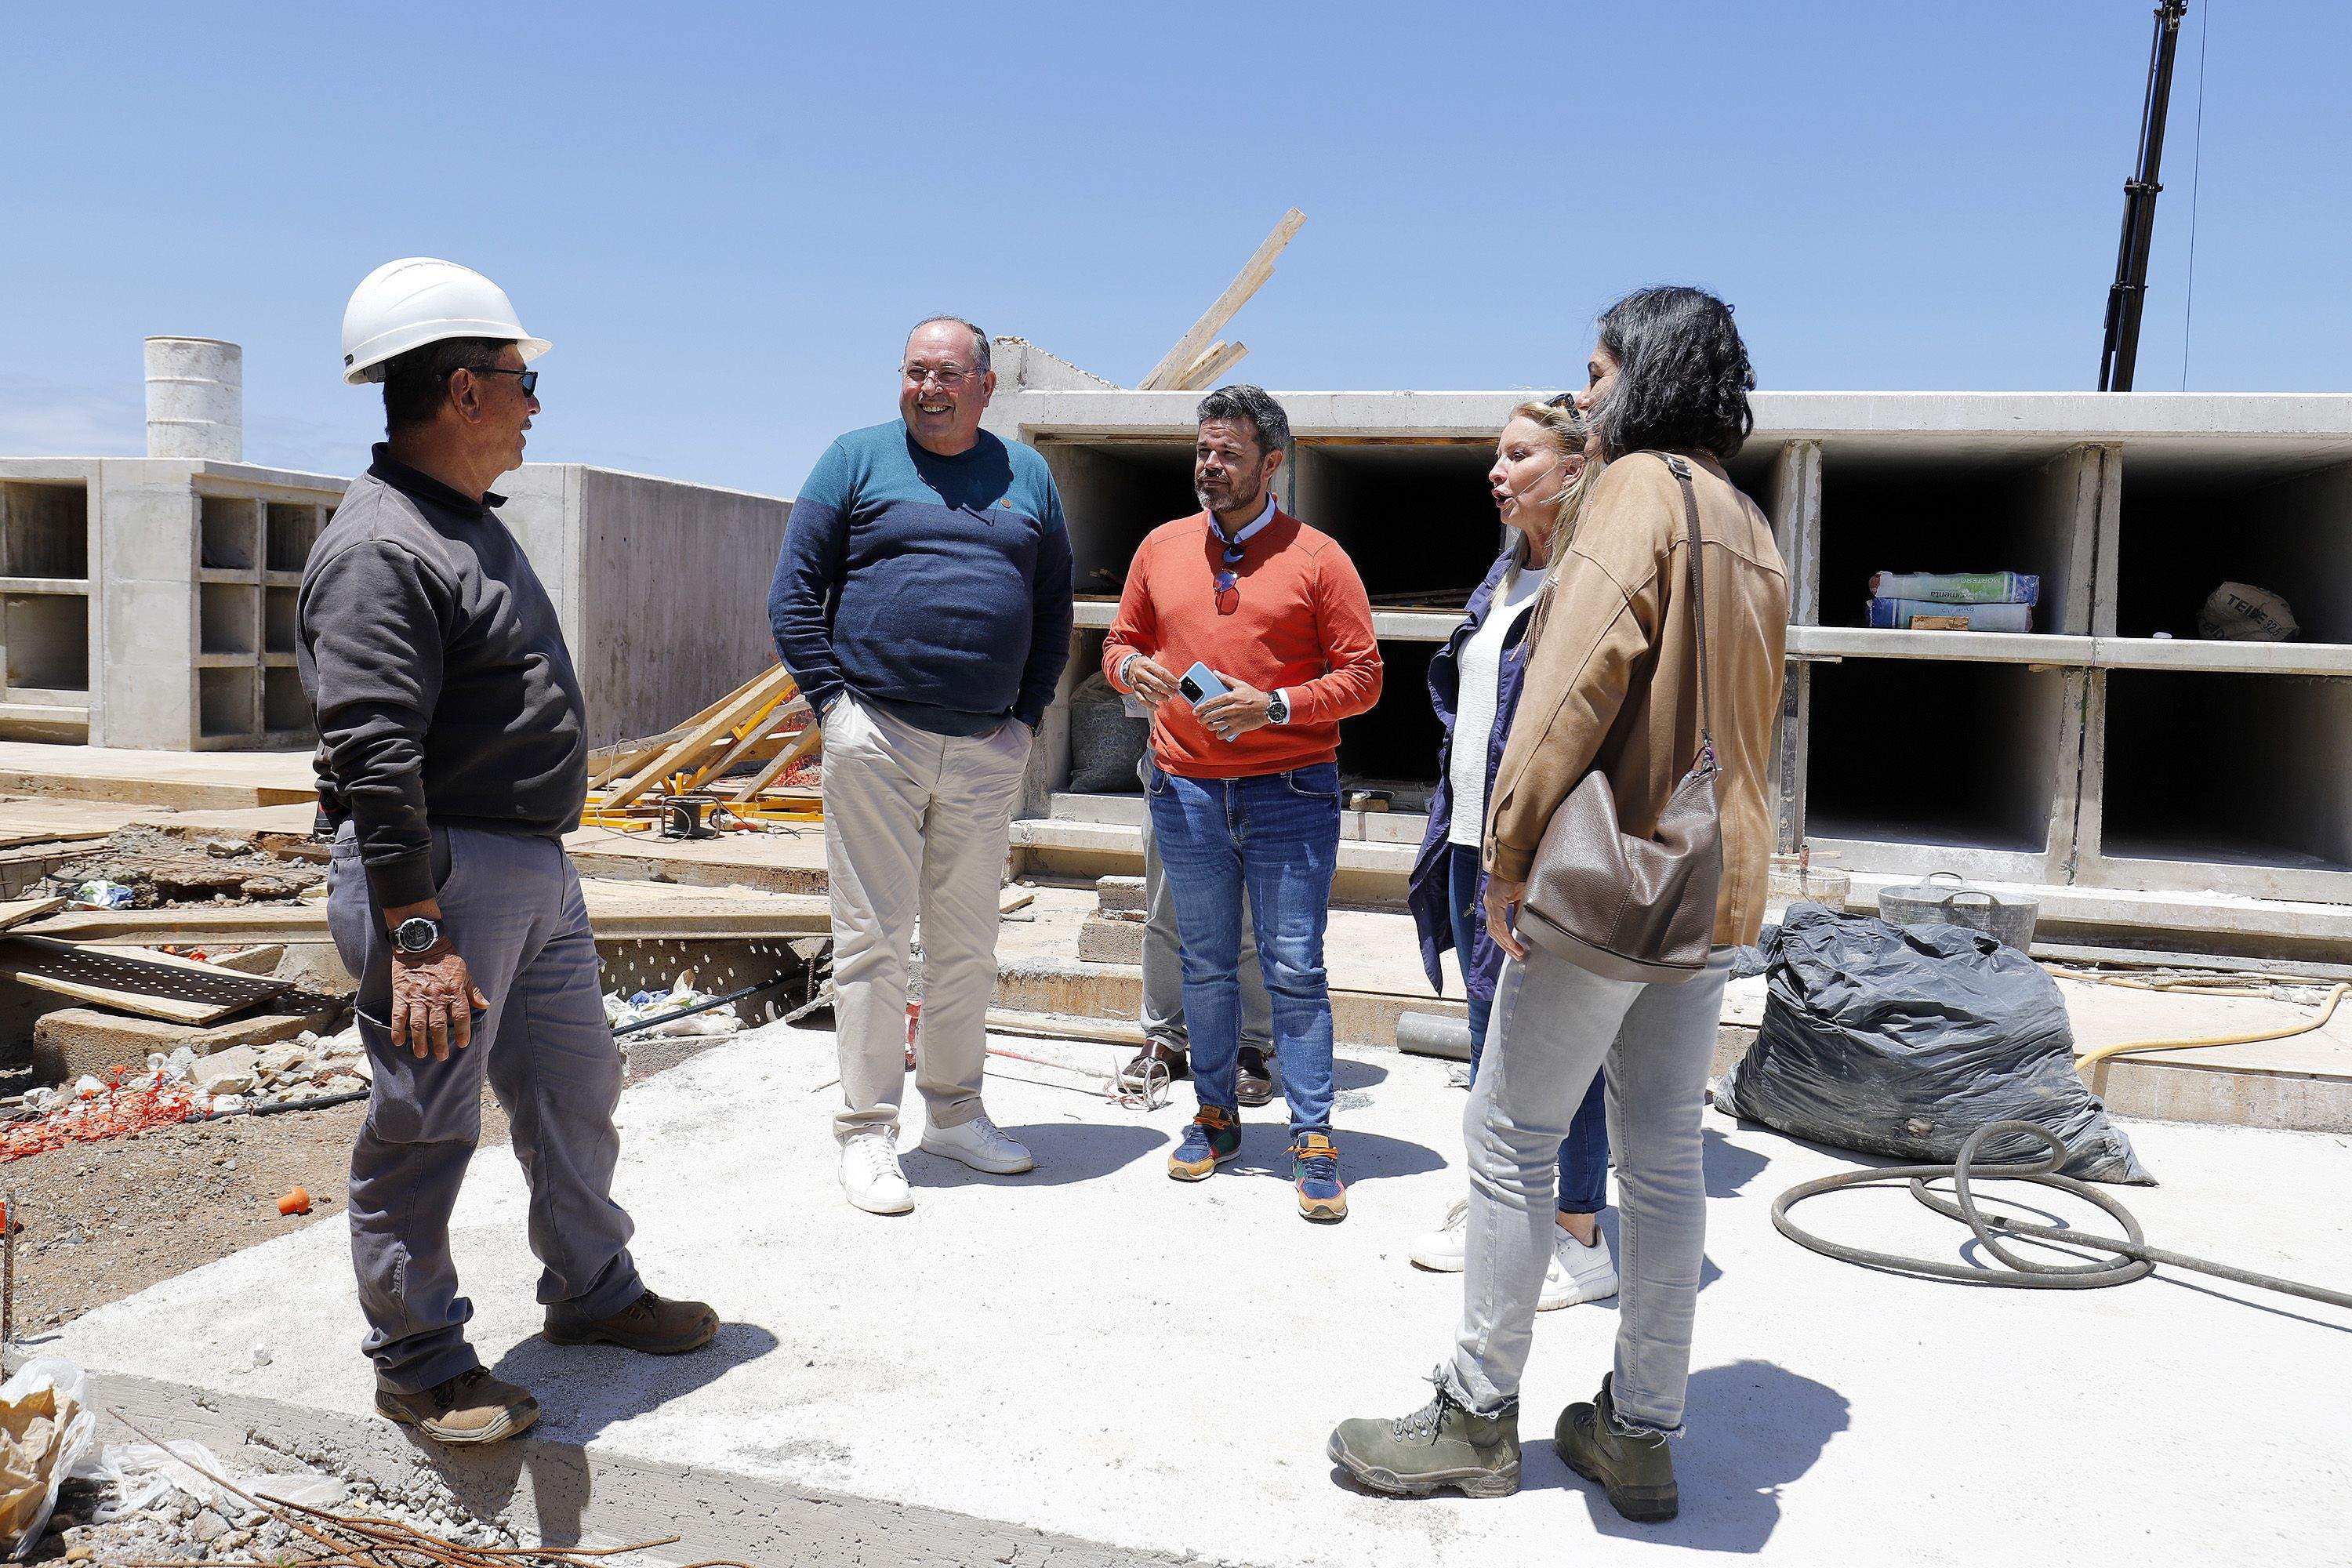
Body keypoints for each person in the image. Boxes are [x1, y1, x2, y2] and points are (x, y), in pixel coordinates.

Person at [1330, 287, 1788, 1517]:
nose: (1583, 391)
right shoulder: (1750, 519)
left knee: (1511, 1140)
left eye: (1597, 370)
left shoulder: (1631, 492)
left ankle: (1476, 1415)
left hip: (1605, 878)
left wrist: (1508, 853)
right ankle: (1641, 1432)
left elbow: (1575, 682)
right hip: (1706, 888)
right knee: (1665, 1159)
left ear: (1644, 375)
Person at [304, 258, 717, 1449]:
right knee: (426, 1120)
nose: (536, 401)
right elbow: (374, 754)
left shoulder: (463, 524)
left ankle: (594, 1289)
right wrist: (417, 936)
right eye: (521, 378)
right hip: (440, 880)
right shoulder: (385, 547)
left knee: (577, 1087)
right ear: (461, 391)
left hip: (527, 868)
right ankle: (420, 1358)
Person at [769, 317, 1074, 1215]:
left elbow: (1052, 607)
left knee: (965, 945)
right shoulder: (854, 460)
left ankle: (953, 1114)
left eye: (947, 372)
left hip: (985, 748)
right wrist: (835, 706)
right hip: (878, 736)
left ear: (985, 386)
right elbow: (794, 593)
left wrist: (1023, 718)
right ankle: (867, 1130)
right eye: (913, 371)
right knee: (871, 941)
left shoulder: (1030, 476)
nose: (928, 387)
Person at [1102, 386, 1381, 1221]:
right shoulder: (1159, 547)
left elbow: (1365, 677)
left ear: (1271, 463)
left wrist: (1275, 705)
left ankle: (1314, 1133)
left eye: (1227, 454)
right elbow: (1120, 641)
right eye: (1202, 451)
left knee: (1295, 966)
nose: (1208, 467)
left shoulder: (1320, 558)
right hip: (1184, 786)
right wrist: (1128, 671)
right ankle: (1216, 1116)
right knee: (1206, 962)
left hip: (1291, 790)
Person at [1404, 397, 1617, 1312]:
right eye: (1495, 455)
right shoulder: (1502, 581)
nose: (1497, 471)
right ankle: (1505, 1204)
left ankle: (1579, 1233)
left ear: (1572, 472)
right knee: (1493, 1042)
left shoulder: (1586, 583)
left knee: (1563, 1048)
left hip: (1536, 853)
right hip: (1469, 839)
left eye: (1519, 455)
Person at [1119, 746, 1277, 1106]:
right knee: (1165, 913)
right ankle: (1165, 1039)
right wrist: (1130, 683)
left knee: (1251, 920)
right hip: (1175, 767)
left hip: (1264, 769)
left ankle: (1249, 1044)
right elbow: (1125, 688)